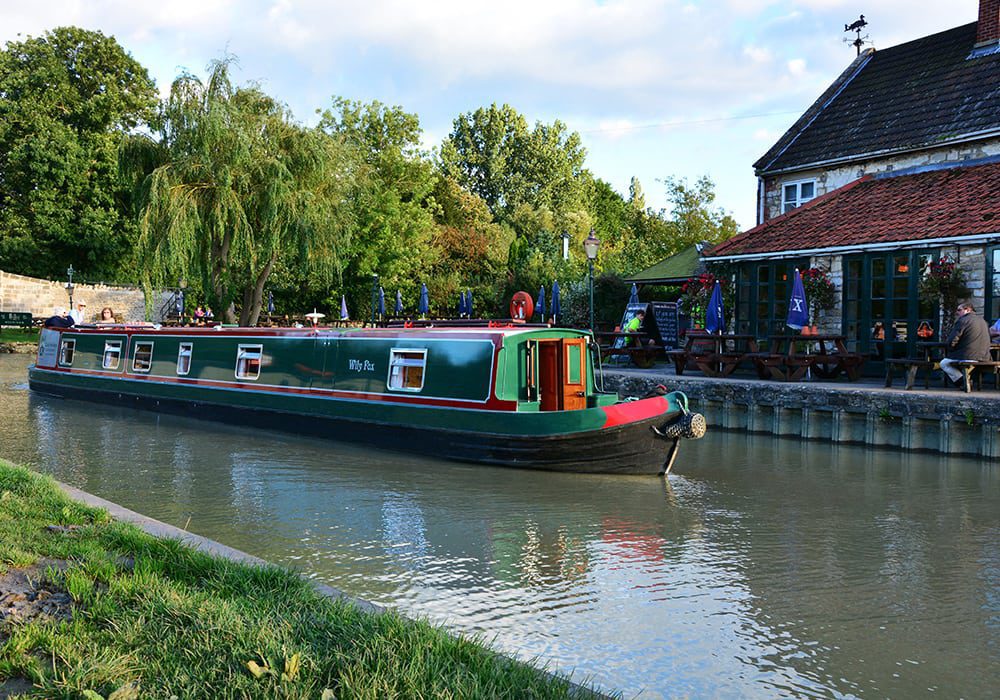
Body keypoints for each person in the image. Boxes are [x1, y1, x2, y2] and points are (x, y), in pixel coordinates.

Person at [940, 302, 991, 386]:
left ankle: (963, 382)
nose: (957, 312)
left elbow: (953, 340)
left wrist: (951, 349)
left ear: (968, 310)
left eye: (959, 310)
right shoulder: (983, 321)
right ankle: (966, 381)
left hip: (967, 355)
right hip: (984, 356)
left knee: (944, 363)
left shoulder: (962, 321)